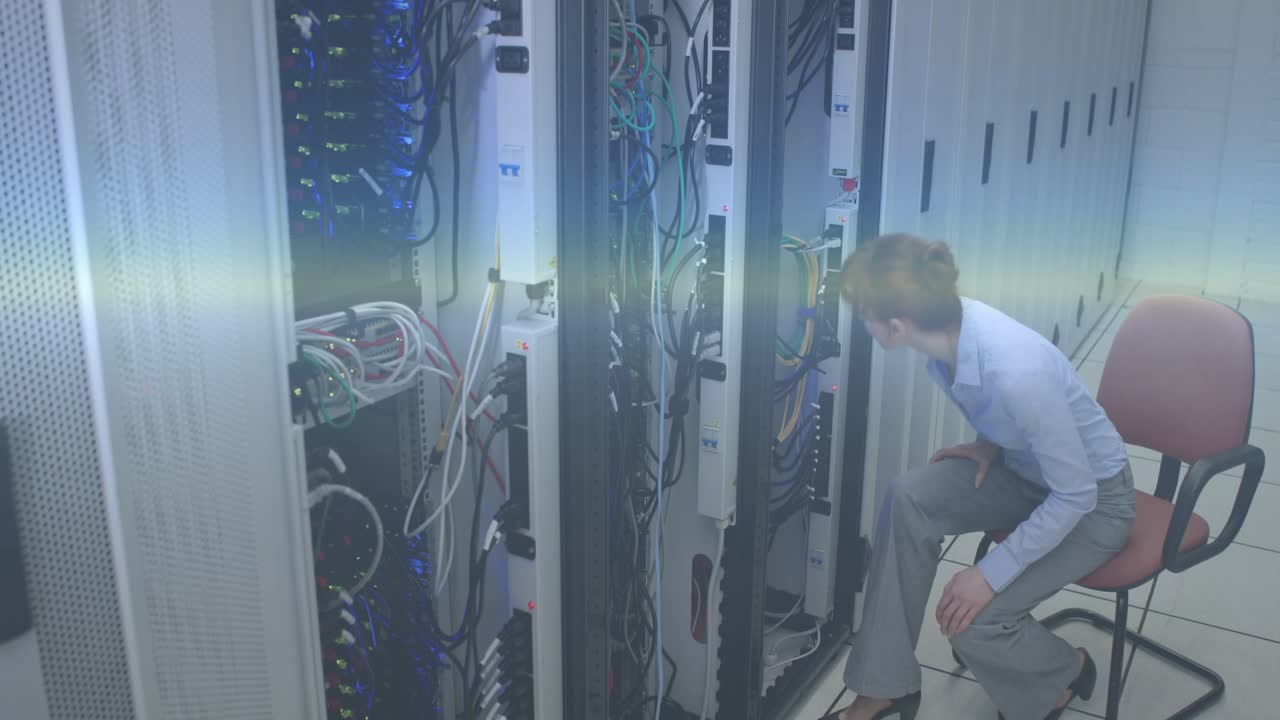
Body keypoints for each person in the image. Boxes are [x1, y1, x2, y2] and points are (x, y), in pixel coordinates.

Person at [822, 234, 1136, 720]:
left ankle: (1068, 669)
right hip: (1027, 472)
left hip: (1094, 505)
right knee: (910, 497)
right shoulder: (947, 329)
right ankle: (886, 685)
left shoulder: (1014, 366)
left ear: (896, 326)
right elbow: (1007, 410)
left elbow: (1076, 494)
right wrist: (989, 441)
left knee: (971, 621)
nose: (860, 322)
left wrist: (988, 575)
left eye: (864, 313)